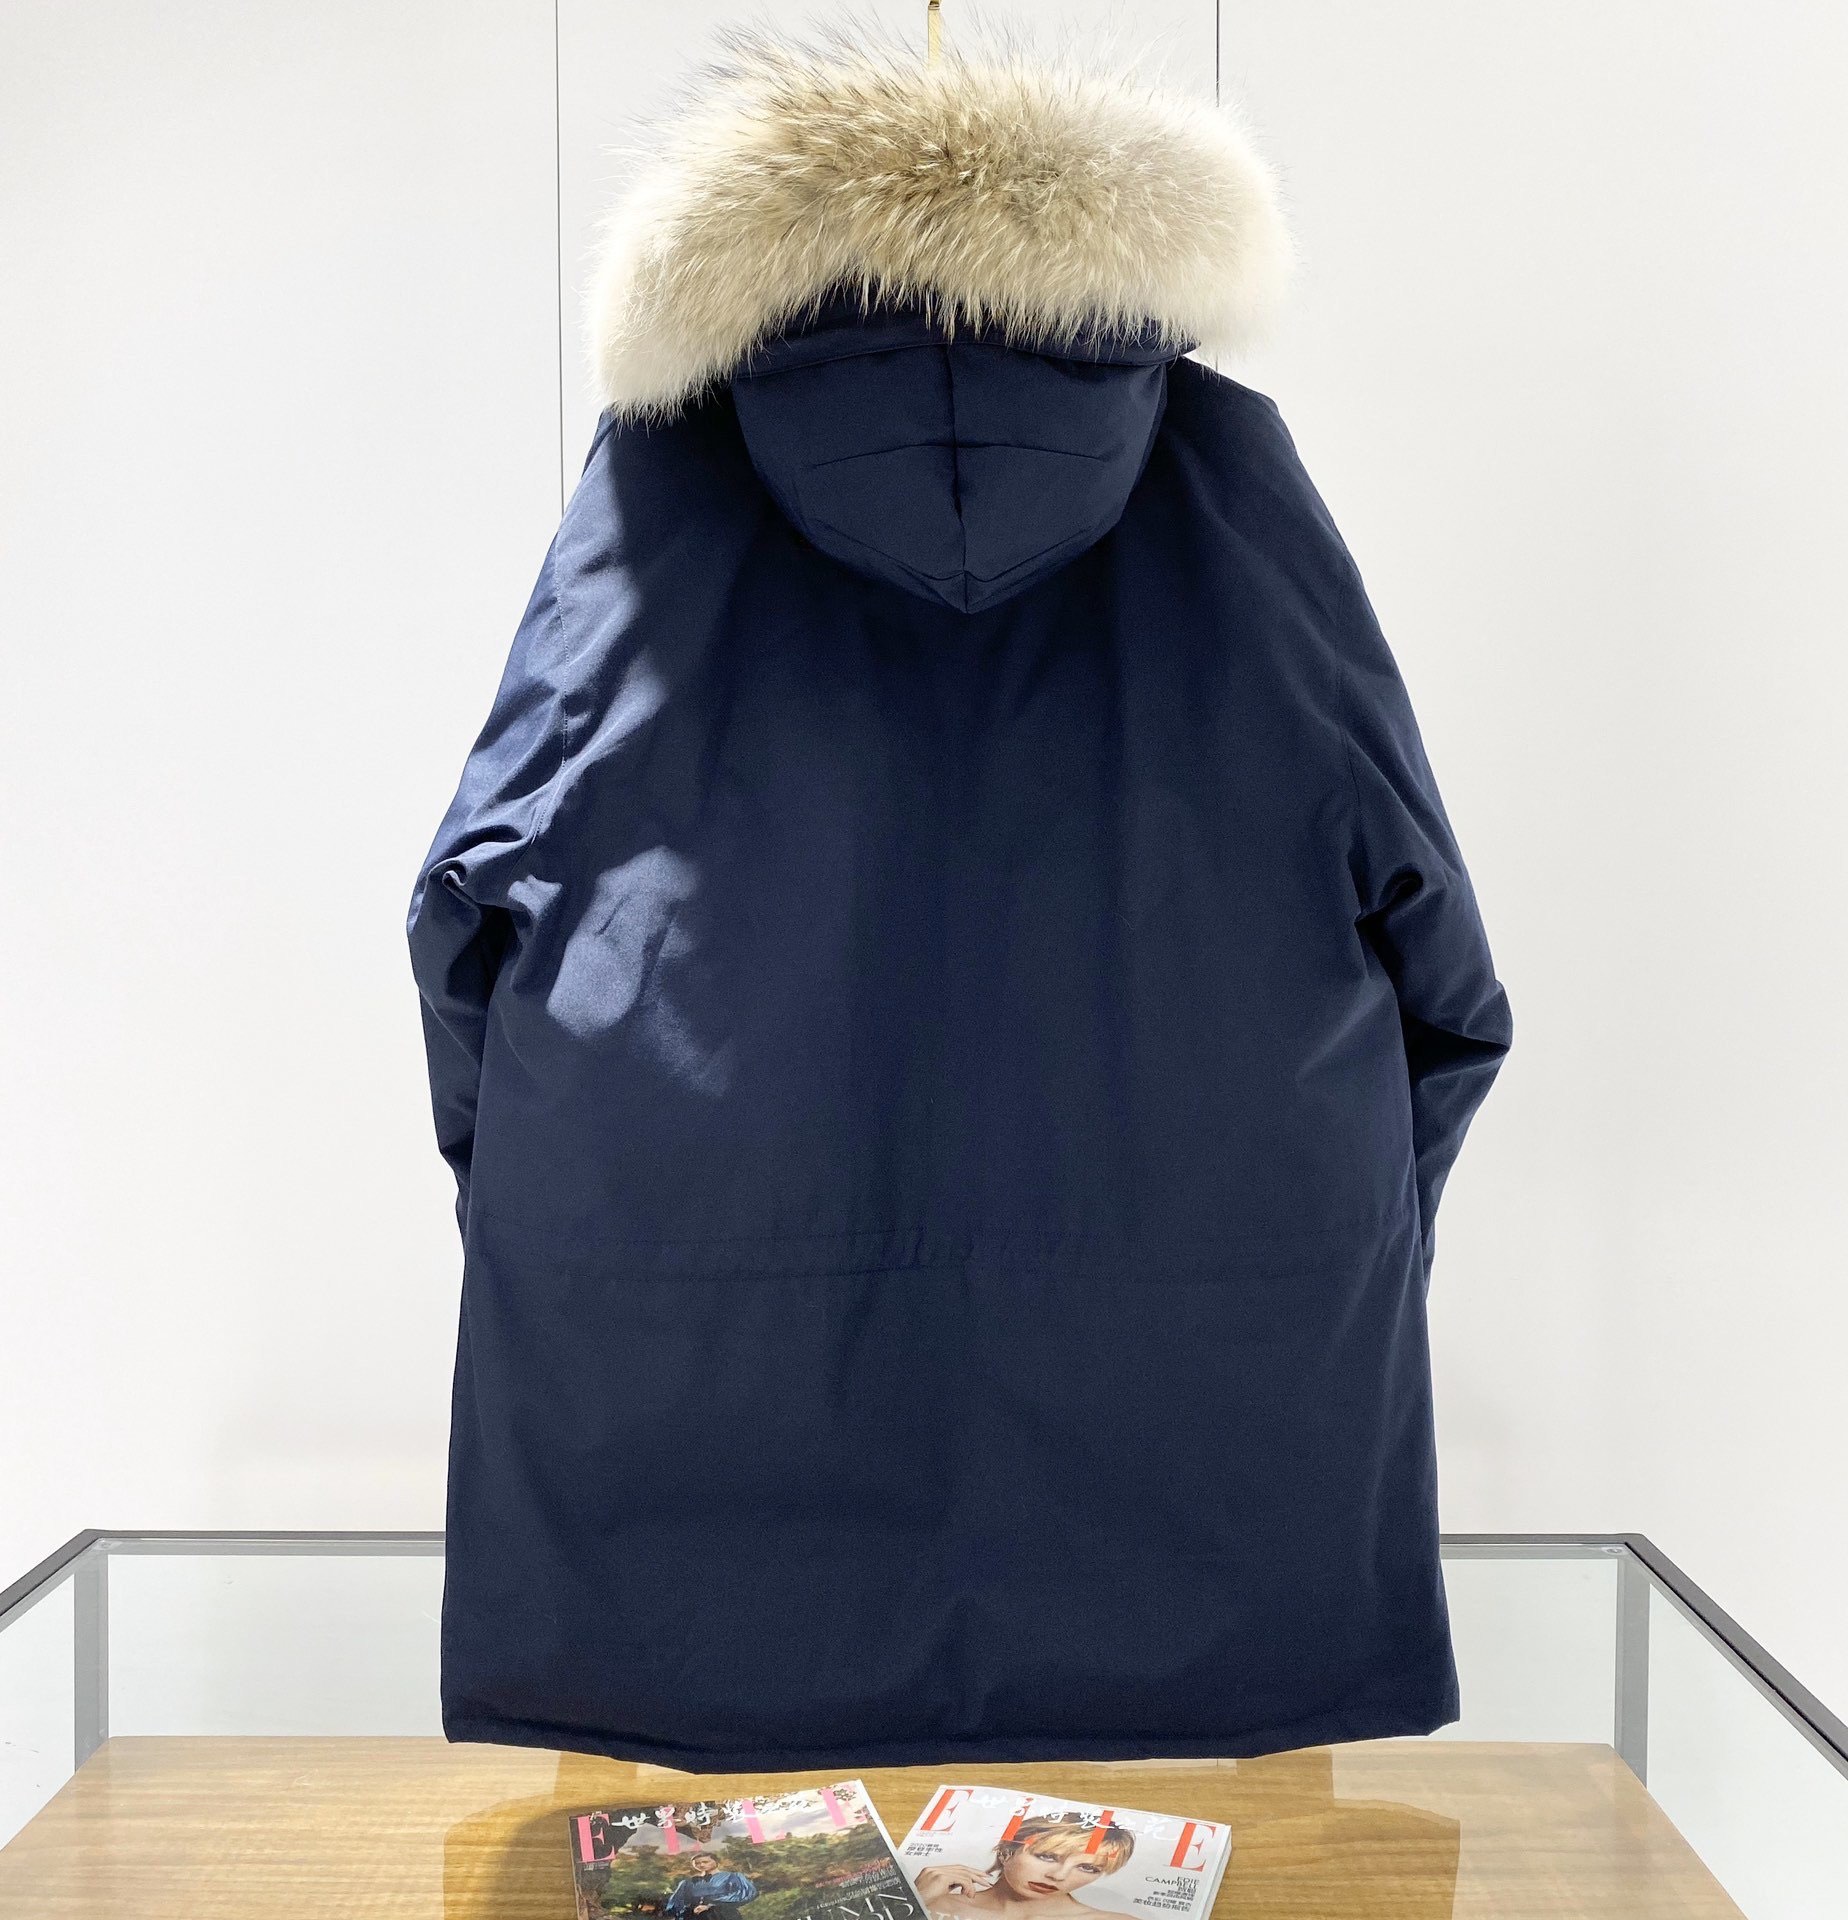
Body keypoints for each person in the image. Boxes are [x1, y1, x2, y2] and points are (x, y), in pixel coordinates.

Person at [915, 1816, 1133, 1920]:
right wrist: (913, 1899)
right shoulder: (932, 1904)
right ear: (1006, 1851)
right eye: (1047, 1856)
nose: (1058, 1876)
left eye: (1087, 1867)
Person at [664, 1851, 759, 1920]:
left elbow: (745, 1894)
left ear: (716, 1861)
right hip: (695, 1916)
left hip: (723, 1915)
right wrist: (689, 1911)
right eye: (697, 1863)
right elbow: (676, 1902)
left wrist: (711, 1905)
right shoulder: (688, 1882)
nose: (701, 1865)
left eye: (705, 1862)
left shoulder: (732, 1877)